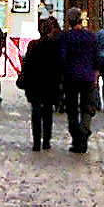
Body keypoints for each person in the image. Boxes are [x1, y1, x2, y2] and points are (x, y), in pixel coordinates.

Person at [17, 11, 64, 150]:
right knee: (47, 112)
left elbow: (27, 64)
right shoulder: (55, 46)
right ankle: (47, 141)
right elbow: (59, 65)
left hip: (35, 84)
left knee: (36, 112)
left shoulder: (33, 45)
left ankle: (37, 141)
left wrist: (24, 79)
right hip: (50, 83)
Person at [56, 13, 102, 152]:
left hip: (71, 77)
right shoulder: (91, 36)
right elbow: (96, 58)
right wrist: (96, 74)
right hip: (88, 77)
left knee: (72, 109)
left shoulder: (65, 37)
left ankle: (77, 137)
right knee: (88, 107)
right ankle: (84, 130)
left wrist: (62, 74)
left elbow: (62, 59)